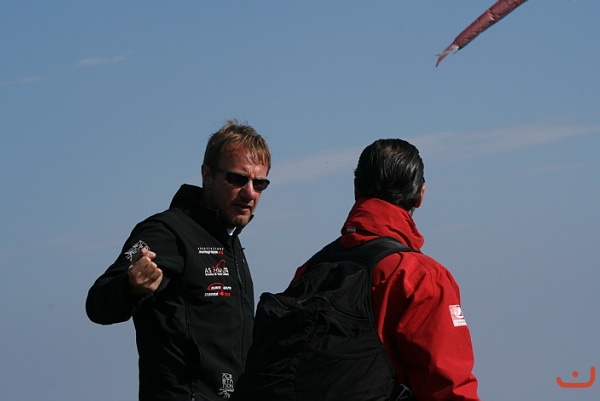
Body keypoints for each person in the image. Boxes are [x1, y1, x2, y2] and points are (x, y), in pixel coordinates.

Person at [86, 120, 271, 401]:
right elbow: (98, 304)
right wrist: (130, 287)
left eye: (259, 183)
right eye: (236, 179)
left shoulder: (229, 242)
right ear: (207, 175)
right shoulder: (166, 232)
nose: (250, 193)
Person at [290, 139, 480, 400]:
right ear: (420, 195)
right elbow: (449, 389)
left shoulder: (309, 270)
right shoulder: (420, 277)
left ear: (356, 189)